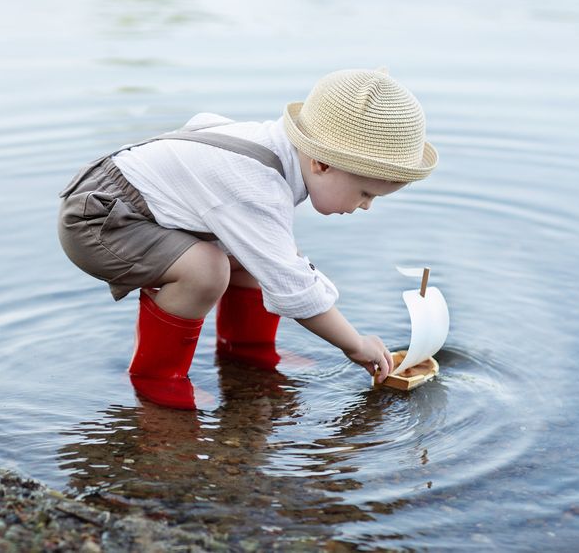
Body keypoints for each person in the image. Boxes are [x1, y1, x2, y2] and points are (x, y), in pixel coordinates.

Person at [57, 68, 438, 409]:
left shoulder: (268, 149)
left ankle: (247, 352)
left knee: (256, 252)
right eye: (365, 194)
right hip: (100, 222)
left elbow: (201, 127)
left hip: (130, 205)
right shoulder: (256, 186)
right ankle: (156, 379)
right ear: (321, 163)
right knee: (207, 270)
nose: (367, 206)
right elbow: (294, 289)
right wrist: (354, 343)